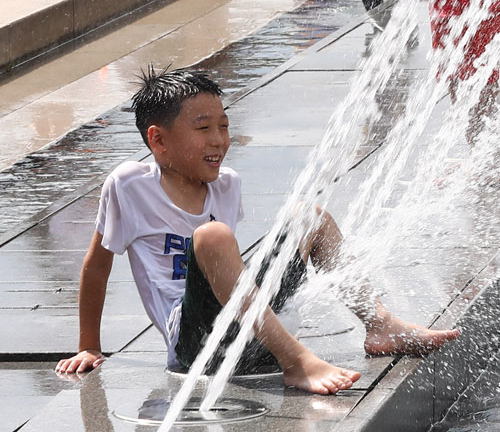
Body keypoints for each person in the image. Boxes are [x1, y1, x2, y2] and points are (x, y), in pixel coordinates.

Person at [55, 67, 457, 391]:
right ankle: (296, 361)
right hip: (197, 346)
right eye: (203, 129)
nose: (219, 140)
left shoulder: (227, 184)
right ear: (158, 140)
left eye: (224, 126)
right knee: (213, 236)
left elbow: (231, 276)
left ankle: (379, 324)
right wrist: (89, 346)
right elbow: (96, 267)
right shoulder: (129, 186)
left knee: (309, 216)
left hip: (250, 336)